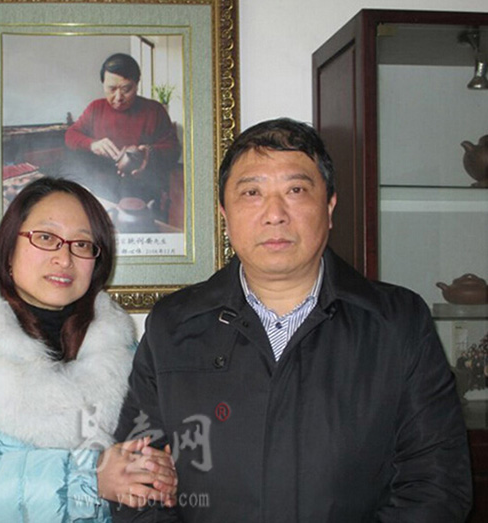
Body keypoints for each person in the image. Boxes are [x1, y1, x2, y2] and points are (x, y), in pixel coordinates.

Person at [112, 118, 473, 521]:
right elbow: (135, 481)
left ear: (329, 207)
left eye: (296, 190)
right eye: (252, 192)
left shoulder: (397, 323)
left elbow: (437, 486)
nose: (275, 214)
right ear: (224, 214)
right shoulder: (173, 325)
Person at [0, 177, 177, 522]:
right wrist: (90, 477)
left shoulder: (128, 355)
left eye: (82, 244)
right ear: (9, 249)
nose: (64, 258)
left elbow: (152, 458)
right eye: (46, 238)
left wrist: (161, 474)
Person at [62, 52, 180, 212]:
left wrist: (148, 152)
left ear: (137, 84)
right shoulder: (96, 108)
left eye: (126, 89)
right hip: (103, 188)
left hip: (142, 190)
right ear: (103, 84)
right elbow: (71, 135)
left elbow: (174, 149)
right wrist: (92, 144)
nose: (118, 97)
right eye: (111, 89)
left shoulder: (154, 110)